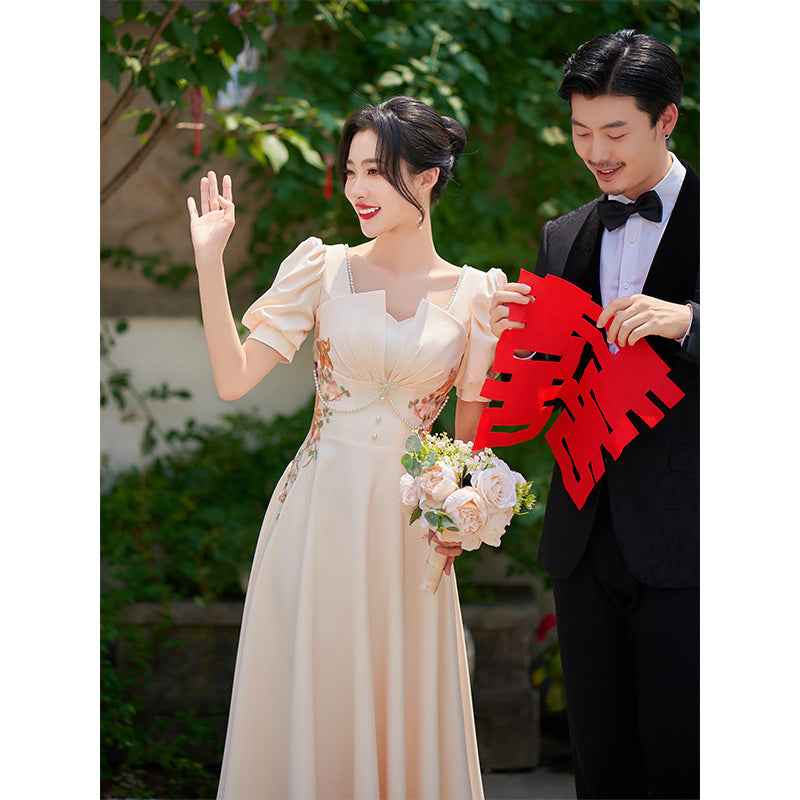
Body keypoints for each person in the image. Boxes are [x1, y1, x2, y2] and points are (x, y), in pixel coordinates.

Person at [186, 95, 506, 799]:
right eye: (352, 170)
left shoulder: (477, 295)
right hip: (317, 517)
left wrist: (460, 513)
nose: (357, 188)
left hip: (409, 536)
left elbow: (468, 438)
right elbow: (233, 379)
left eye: (377, 171)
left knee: (400, 699)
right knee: (317, 688)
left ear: (428, 177)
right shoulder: (322, 269)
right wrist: (210, 263)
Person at [489, 30, 700, 799]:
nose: (596, 153)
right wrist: (511, 337)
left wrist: (689, 321)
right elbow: (546, 385)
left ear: (666, 119)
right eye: (581, 133)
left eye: (615, 132)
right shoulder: (564, 234)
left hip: (696, 541)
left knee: (689, 764)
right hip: (583, 544)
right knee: (601, 768)